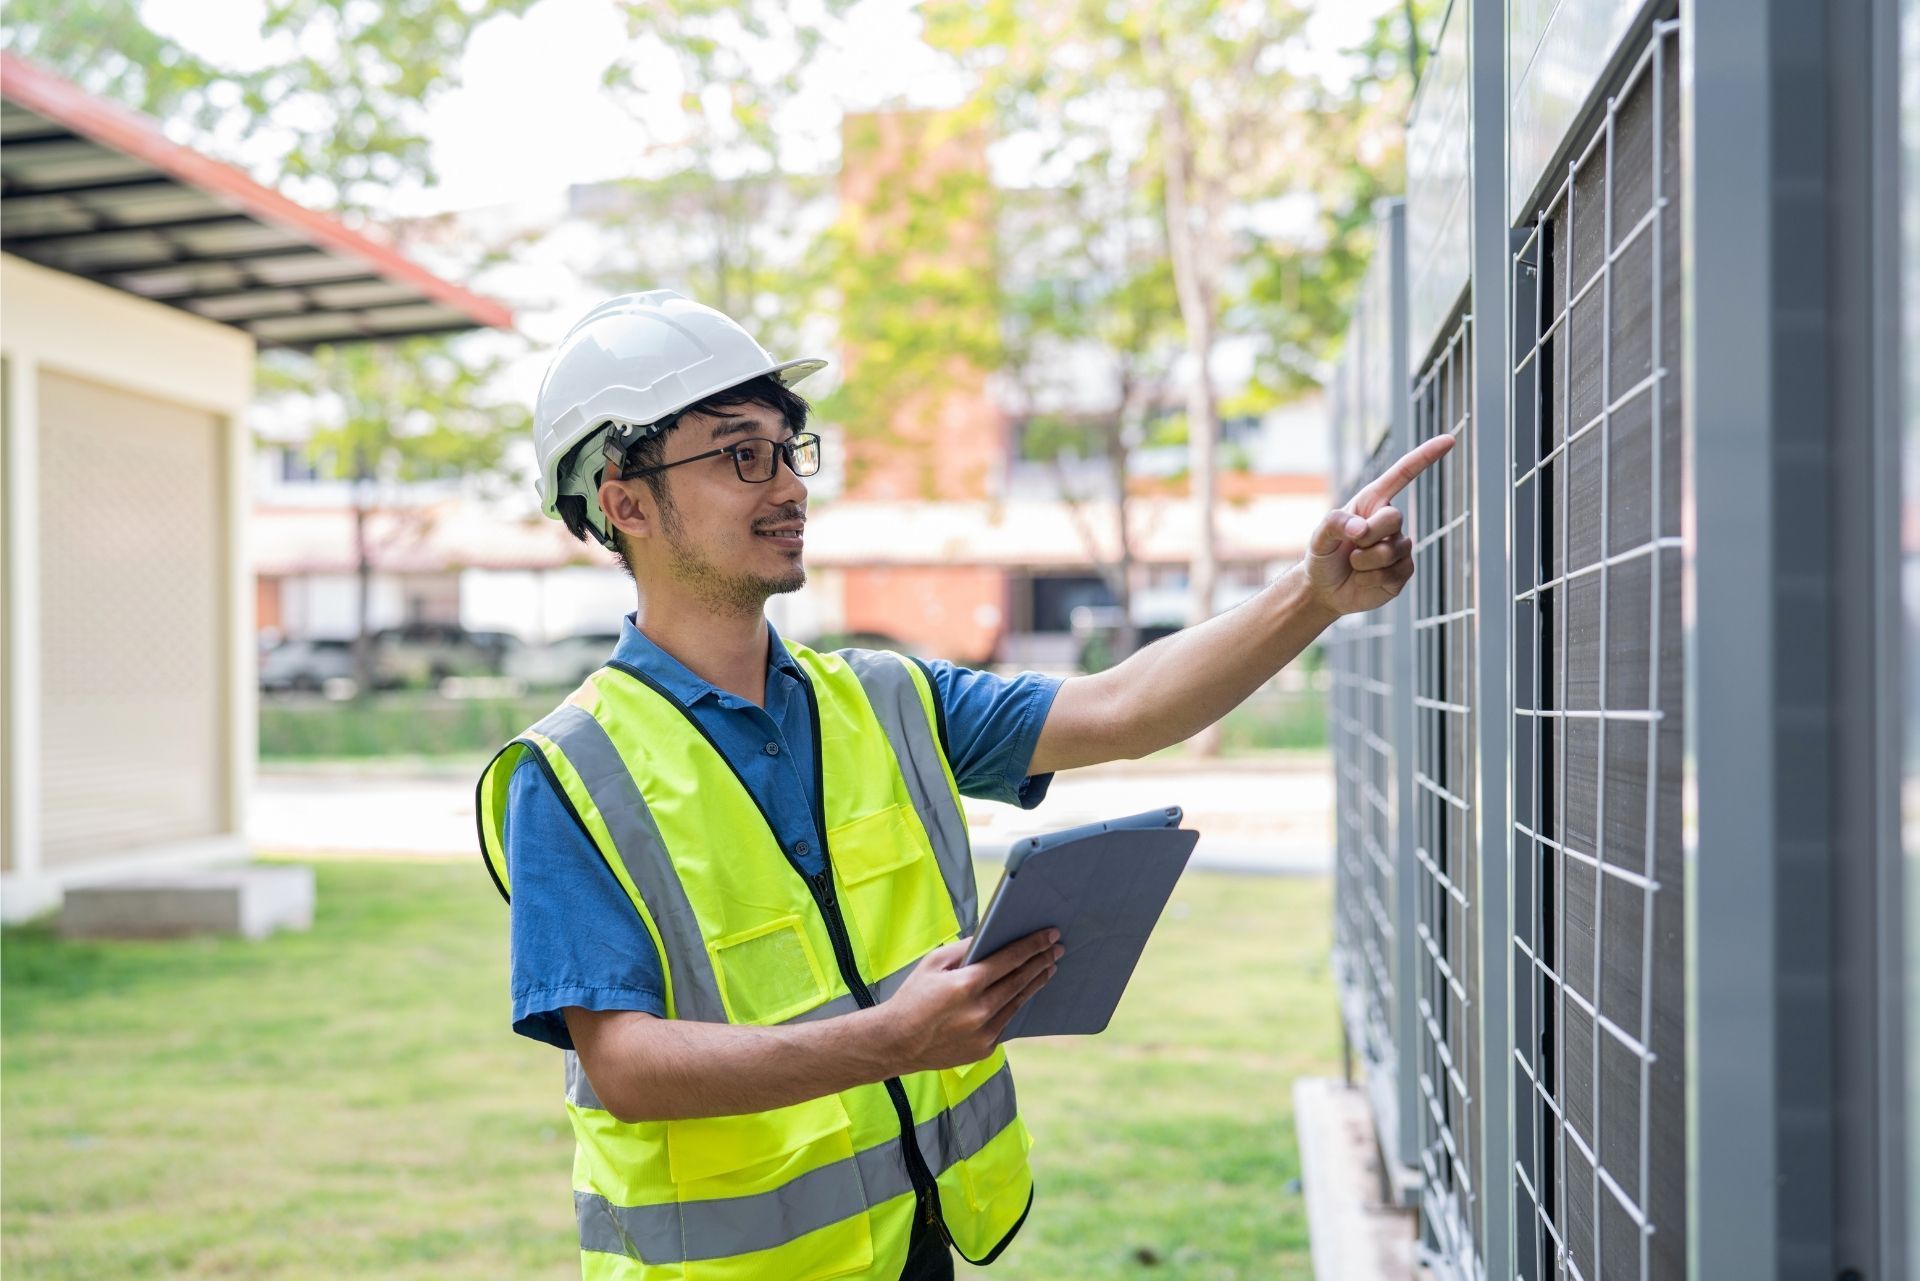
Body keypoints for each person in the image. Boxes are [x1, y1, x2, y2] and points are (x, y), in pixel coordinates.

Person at [476, 290, 1450, 1281]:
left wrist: (1311, 596)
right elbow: (626, 1066)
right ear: (623, 499)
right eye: (738, 454)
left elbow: (1119, 708)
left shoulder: (886, 697)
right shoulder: (569, 774)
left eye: (787, 448)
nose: (786, 485)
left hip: (917, 1250)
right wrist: (883, 1042)